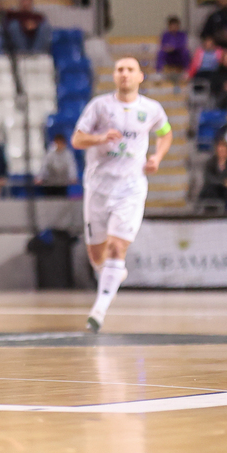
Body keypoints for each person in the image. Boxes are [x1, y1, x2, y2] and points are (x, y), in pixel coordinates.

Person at [70, 57, 173, 332]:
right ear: (114, 76)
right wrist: (100, 138)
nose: (124, 74)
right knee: (97, 256)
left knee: (117, 248)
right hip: (98, 188)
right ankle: (113, 275)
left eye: (130, 70)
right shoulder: (99, 106)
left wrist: (157, 157)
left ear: (140, 76)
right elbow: (77, 139)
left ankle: (99, 311)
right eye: (119, 70)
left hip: (130, 187)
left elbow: (165, 134)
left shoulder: (151, 109)